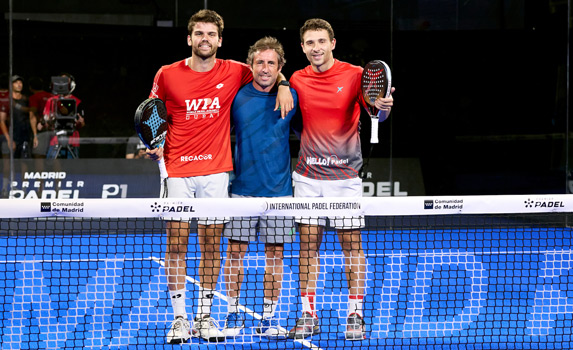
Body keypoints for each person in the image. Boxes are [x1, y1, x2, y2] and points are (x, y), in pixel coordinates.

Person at [145, 9, 293, 344]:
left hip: (215, 173)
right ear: (189, 38)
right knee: (176, 244)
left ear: (220, 40)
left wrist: (284, 83)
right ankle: (180, 319)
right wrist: (154, 144)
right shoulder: (167, 74)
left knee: (212, 244)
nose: (205, 39)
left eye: (211, 34)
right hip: (177, 173)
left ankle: (206, 316)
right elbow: (152, 114)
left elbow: (268, 70)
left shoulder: (235, 71)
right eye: (199, 34)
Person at [287, 18, 394, 341]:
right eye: (309, 43)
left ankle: (355, 314)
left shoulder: (354, 75)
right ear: (303, 47)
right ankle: (308, 314)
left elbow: (377, 111)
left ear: (332, 43)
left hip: (345, 178)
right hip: (307, 177)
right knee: (308, 247)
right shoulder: (297, 78)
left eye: (321, 41)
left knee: (352, 247)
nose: (316, 48)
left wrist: (384, 107)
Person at [221, 36, 298, 339]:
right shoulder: (236, 97)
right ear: (250, 64)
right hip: (242, 190)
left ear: (280, 67)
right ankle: (232, 313)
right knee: (234, 254)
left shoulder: (292, 98)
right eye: (260, 62)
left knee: (274, 257)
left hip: (279, 193)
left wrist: (285, 84)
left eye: (272, 63)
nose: (265, 68)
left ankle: (268, 317)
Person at [43, 73, 85, 159]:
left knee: (72, 169)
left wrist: (80, 123)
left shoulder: (77, 102)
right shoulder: (51, 101)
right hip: (54, 140)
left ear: (71, 84)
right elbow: (45, 122)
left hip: (72, 141)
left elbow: (82, 124)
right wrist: (48, 121)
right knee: (53, 170)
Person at [0, 75, 38, 159]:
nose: (19, 84)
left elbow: (32, 116)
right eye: (16, 82)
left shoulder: (26, 99)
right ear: (11, 85)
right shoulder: (6, 100)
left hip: (25, 136)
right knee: (9, 163)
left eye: (20, 82)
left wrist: (35, 135)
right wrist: (9, 139)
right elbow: (2, 121)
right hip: (11, 135)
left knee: (25, 162)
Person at [28, 77, 54, 159]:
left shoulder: (34, 97)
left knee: (39, 156)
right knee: (55, 158)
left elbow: (32, 115)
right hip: (54, 130)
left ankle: (40, 172)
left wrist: (35, 135)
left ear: (30, 88)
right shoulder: (52, 96)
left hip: (41, 131)